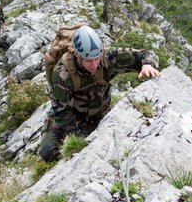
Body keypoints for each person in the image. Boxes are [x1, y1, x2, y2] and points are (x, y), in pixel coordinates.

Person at [38, 25, 160, 162]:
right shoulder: (62, 74)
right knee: (47, 153)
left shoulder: (107, 58)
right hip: (72, 115)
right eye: (89, 60)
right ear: (77, 56)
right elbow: (63, 113)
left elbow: (145, 54)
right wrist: (79, 142)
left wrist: (147, 64)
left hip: (101, 112)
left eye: (97, 58)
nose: (95, 64)